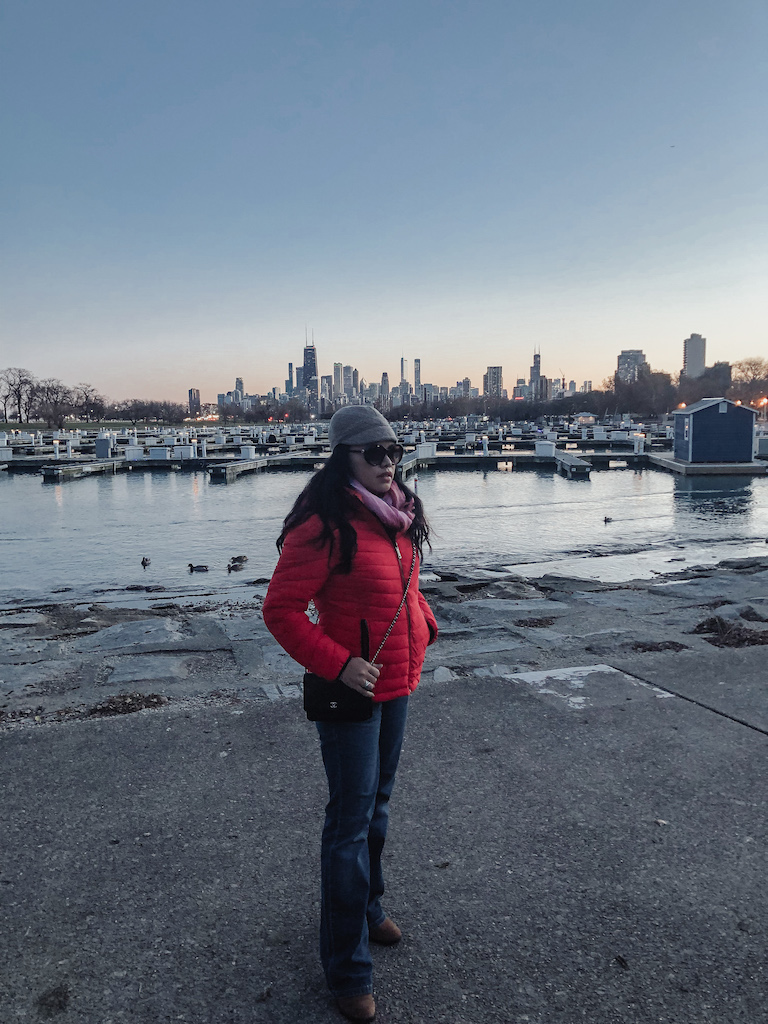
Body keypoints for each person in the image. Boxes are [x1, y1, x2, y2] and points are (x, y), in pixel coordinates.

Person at [262, 405, 438, 1023]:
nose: (388, 462)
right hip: (352, 692)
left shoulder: (398, 516)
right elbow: (281, 611)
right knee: (349, 823)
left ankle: (369, 909)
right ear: (344, 457)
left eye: (394, 450)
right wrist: (338, 663)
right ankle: (347, 969)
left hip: (398, 680)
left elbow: (405, 584)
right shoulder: (324, 523)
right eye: (374, 453)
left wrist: (425, 623)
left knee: (380, 805)